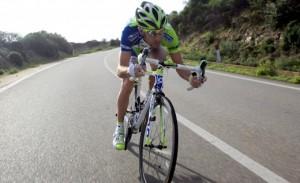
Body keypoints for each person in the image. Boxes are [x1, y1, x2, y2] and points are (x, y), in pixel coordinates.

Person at [113, 1, 206, 150]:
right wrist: (130, 70)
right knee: (128, 82)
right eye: (153, 33)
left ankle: (151, 97)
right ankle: (119, 127)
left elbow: (180, 66)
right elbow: (120, 70)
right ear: (141, 29)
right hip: (135, 51)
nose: (158, 37)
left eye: (161, 32)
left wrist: (192, 78)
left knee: (159, 63)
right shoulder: (129, 31)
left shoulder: (169, 34)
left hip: (154, 51)